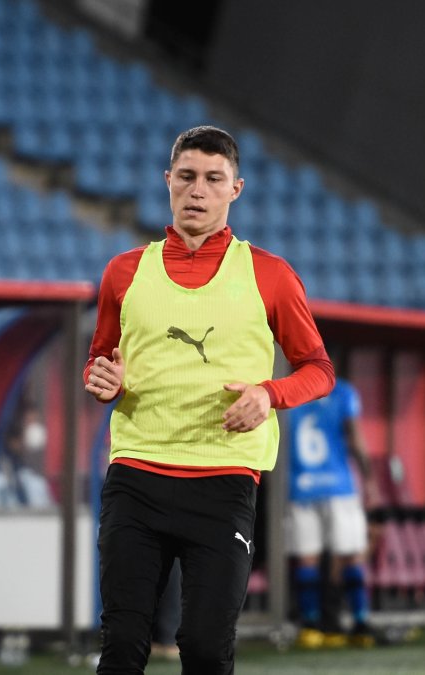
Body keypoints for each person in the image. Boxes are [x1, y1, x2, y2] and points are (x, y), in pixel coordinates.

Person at [84, 125, 334, 674]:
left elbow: (319, 370)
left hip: (224, 482)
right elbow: (100, 358)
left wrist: (269, 394)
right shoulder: (123, 271)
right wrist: (103, 379)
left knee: (203, 647)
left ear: (235, 189)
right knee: (122, 647)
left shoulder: (270, 274)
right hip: (136, 476)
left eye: (213, 179)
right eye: (187, 176)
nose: (198, 190)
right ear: (168, 181)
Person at [286, 363, 374, 648]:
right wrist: (369, 479)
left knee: (307, 558)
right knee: (351, 555)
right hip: (339, 486)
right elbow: (355, 439)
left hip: (300, 486)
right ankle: (360, 623)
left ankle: (311, 626)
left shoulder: (289, 390)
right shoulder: (343, 392)